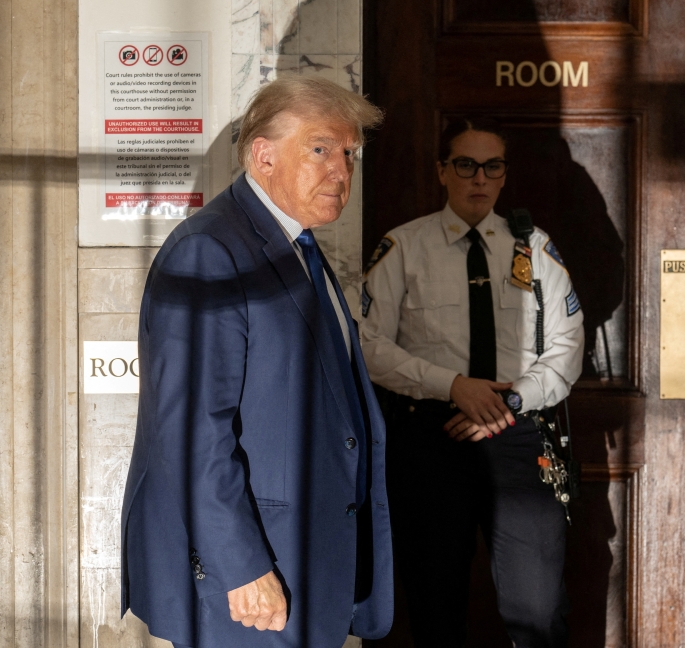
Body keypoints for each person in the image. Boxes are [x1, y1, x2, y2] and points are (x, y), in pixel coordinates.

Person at [119, 75, 393, 648]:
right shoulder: (211, 250)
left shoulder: (299, 247)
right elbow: (192, 432)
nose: (341, 171)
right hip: (248, 583)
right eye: (320, 148)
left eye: (350, 153)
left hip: (306, 567)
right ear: (262, 155)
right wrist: (241, 565)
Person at [359, 117, 584, 647]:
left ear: (505, 175)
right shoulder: (404, 248)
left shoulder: (536, 249)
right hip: (434, 437)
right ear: (442, 171)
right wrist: (453, 385)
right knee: (434, 602)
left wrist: (509, 401)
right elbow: (368, 346)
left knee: (540, 606)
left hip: (519, 433)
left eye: (492, 166)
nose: (479, 178)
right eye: (465, 165)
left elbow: (567, 350)